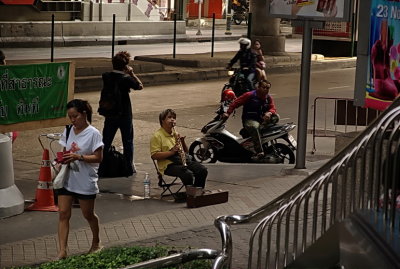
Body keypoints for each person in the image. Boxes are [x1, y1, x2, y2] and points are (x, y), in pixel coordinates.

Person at [57, 99, 104, 259]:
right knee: (63, 213)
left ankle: (96, 242)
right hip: (68, 177)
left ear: (84, 114)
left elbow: (98, 157)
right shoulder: (69, 130)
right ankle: (62, 251)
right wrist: (60, 161)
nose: (72, 120)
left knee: (88, 214)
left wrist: (79, 157)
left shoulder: (93, 133)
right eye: (70, 117)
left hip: (85, 179)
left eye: (75, 116)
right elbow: (64, 151)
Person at [100, 51, 143, 176]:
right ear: (125, 66)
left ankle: (102, 168)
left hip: (110, 114)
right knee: (128, 141)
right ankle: (128, 168)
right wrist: (131, 73)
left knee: (106, 141)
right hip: (124, 115)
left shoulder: (106, 76)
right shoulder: (126, 79)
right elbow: (140, 86)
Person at [150, 109, 208, 191]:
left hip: (180, 161)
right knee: (188, 174)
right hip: (168, 165)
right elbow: (154, 155)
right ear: (162, 120)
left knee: (202, 170)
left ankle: (197, 192)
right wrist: (171, 152)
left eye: (174, 118)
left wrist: (182, 142)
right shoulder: (157, 136)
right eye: (169, 117)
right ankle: (190, 193)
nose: (172, 119)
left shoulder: (175, 134)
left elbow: (186, 152)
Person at [222, 80, 279, 160]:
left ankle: (262, 133)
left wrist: (269, 112)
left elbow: (273, 107)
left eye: (267, 88)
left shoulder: (268, 97)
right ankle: (259, 151)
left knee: (276, 117)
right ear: (258, 87)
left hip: (262, 119)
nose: (266, 90)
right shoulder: (249, 95)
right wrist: (227, 113)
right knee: (254, 127)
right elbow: (235, 103)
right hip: (250, 119)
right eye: (264, 87)